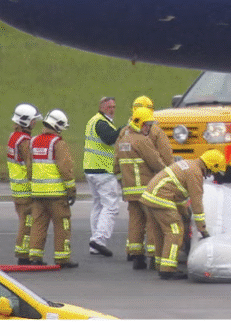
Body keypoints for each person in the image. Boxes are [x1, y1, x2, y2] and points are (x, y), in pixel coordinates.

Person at [141, 150, 224, 280]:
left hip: (150, 196)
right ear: (211, 166)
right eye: (213, 172)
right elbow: (197, 203)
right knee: (175, 230)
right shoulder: (195, 173)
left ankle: (160, 263)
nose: (212, 175)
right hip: (161, 198)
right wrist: (202, 228)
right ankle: (168, 269)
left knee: (160, 232)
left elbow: (178, 195)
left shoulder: (189, 165)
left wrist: (185, 214)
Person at [113, 107, 166, 270]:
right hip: (146, 190)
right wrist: (167, 172)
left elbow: (115, 167)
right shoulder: (142, 141)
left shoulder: (122, 141)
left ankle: (137, 257)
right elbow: (156, 162)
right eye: (148, 125)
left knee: (135, 223)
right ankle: (153, 256)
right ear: (142, 125)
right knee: (151, 223)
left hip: (130, 191)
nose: (149, 128)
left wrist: (124, 183)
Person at [27, 109, 78, 268]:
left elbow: (29, 167)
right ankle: (62, 258)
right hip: (56, 195)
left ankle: (35, 256)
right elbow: (65, 169)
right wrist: (71, 190)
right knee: (62, 225)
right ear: (57, 126)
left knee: (38, 224)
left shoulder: (33, 141)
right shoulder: (58, 143)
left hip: (37, 194)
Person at [83, 96, 120, 257]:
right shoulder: (101, 123)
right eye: (109, 107)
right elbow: (110, 138)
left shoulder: (93, 121)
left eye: (113, 107)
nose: (112, 109)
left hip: (91, 169)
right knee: (111, 206)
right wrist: (126, 128)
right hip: (103, 171)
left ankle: (95, 243)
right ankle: (99, 240)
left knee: (98, 205)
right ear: (101, 107)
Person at [8, 103, 41, 264]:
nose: (35, 123)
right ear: (26, 121)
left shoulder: (13, 137)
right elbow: (30, 165)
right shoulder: (24, 141)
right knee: (27, 222)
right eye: (33, 120)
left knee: (24, 220)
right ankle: (23, 255)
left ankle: (24, 253)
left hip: (16, 188)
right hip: (25, 189)